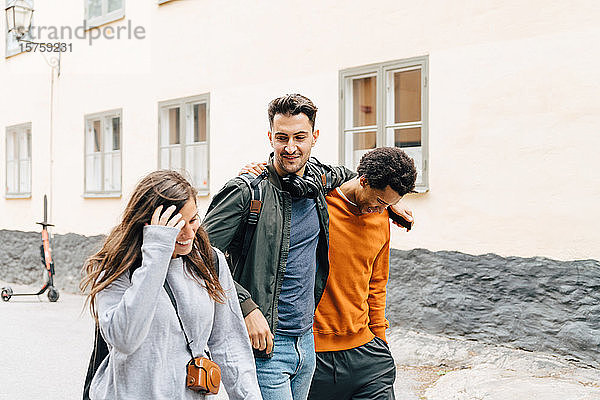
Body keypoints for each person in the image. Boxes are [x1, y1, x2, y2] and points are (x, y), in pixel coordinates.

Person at [202, 94, 355, 400]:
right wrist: (245, 308)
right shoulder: (246, 190)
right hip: (264, 345)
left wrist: (391, 205)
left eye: (300, 137)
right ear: (270, 136)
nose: (290, 147)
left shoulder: (318, 179)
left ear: (315, 137)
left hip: (306, 344)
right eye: (282, 137)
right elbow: (201, 255)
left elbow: (353, 177)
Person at [80, 170, 262, 400]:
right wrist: (157, 252)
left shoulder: (210, 261)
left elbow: (229, 343)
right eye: (176, 225)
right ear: (148, 224)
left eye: (193, 220)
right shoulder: (117, 267)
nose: (188, 234)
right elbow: (125, 339)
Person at [307, 147, 417, 400]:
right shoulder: (318, 205)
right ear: (363, 181)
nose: (381, 210)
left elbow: (377, 285)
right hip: (315, 351)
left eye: (390, 204)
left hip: (367, 353)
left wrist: (380, 342)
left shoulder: (381, 218)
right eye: (379, 201)